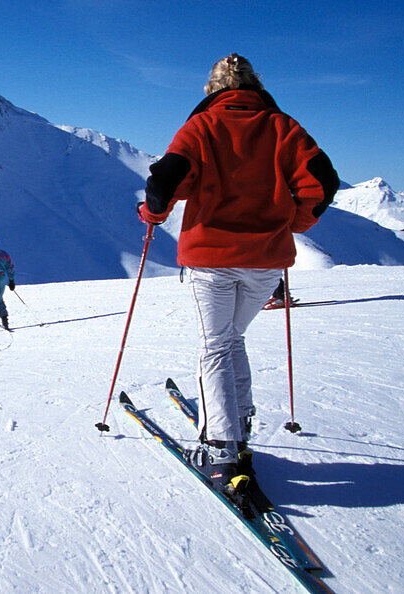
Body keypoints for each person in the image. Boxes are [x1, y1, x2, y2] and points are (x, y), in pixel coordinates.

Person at [137, 54, 339, 493]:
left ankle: (222, 448)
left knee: (215, 346)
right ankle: (239, 417)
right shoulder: (284, 127)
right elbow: (322, 180)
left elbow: (166, 178)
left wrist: (153, 213)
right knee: (232, 339)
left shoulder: (201, 126)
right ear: (255, 85)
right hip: (266, 259)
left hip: (211, 257)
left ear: (212, 88)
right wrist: (295, 223)